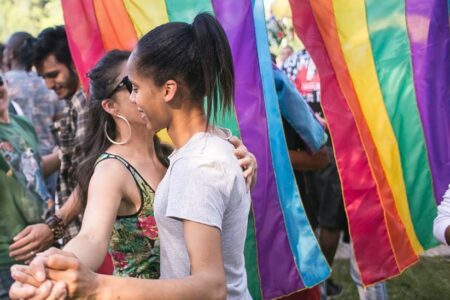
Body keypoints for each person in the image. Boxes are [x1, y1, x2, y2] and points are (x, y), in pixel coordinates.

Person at [10, 13, 253, 299]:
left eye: (136, 87)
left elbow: (211, 285)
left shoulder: (191, 158)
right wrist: (54, 265)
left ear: (168, 90)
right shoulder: (126, 166)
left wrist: (97, 286)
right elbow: (90, 237)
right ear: (110, 106)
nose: (136, 98)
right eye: (129, 88)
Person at [7, 26, 88, 264]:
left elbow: (90, 177)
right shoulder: (73, 102)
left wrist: (53, 226)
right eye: (43, 77)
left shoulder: (84, 101)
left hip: (89, 238)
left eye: (53, 74)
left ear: (74, 63)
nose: (49, 85)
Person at [0, 74, 54, 299]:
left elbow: (33, 171)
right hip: (7, 257)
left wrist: (63, 155)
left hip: (41, 246)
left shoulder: (23, 124)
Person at [3, 31, 64, 197]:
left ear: (11, 53)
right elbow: (61, 124)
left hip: (22, 165)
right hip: (54, 161)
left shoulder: (4, 84)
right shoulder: (48, 79)